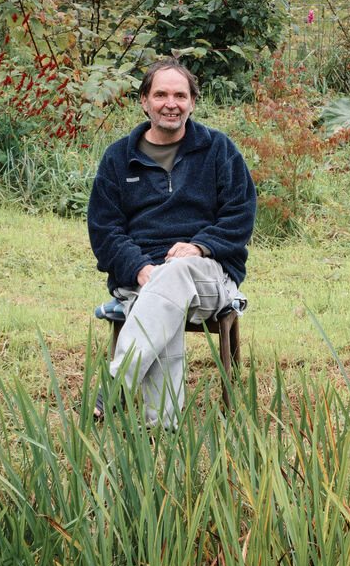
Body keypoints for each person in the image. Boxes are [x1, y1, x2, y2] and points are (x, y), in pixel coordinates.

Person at [87, 58, 256, 427]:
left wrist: (199, 246)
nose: (171, 103)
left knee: (176, 272)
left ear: (193, 102)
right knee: (165, 295)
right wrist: (140, 269)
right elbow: (104, 230)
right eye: (161, 94)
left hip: (208, 274)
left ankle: (116, 383)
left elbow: (241, 216)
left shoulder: (219, 150)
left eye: (180, 95)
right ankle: (162, 428)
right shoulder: (118, 158)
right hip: (141, 278)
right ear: (144, 101)